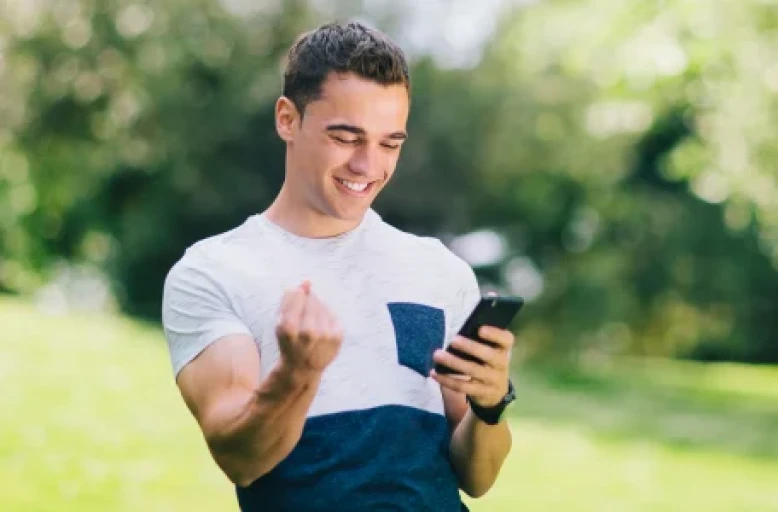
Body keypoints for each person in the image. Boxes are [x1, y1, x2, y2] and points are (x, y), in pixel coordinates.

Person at [160, 20, 516, 511]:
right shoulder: (213, 272)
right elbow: (239, 458)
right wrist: (296, 374)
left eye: (390, 143)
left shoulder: (439, 269)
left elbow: (477, 479)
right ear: (288, 119)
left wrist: (490, 405)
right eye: (347, 137)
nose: (369, 166)